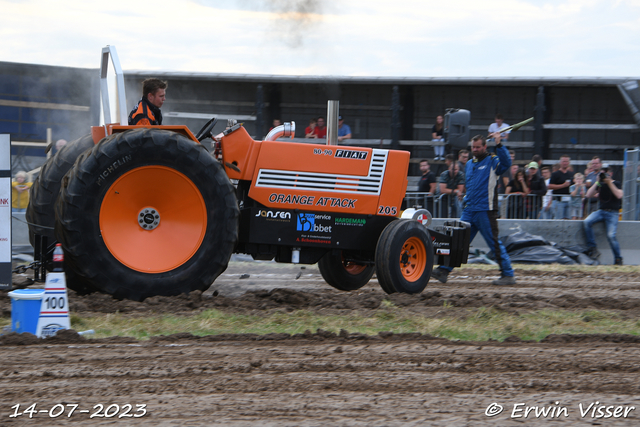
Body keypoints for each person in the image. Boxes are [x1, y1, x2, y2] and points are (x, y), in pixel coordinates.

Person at [431, 134, 515, 286]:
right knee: (457, 241)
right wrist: (467, 201)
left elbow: (507, 163)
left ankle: (508, 274)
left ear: (484, 147)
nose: (475, 150)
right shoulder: (469, 164)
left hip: (485, 210)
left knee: (493, 243)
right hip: (470, 210)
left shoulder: (492, 160)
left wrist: (499, 144)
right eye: (473, 147)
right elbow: (470, 186)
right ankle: (443, 270)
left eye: (478, 147)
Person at [583, 164, 623, 265]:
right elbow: (588, 195)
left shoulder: (616, 183)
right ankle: (592, 247)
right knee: (587, 222)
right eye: (603, 172)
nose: (605, 174)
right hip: (601, 211)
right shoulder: (600, 184)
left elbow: (619, 195)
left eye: (607, 172)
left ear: (611, 173)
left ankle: (618, 258)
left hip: (613, 213)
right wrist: (597, 182)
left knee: (611, 235)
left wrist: (609, 182)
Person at [547, 155, 574, 219]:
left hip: (569, 200)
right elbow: (550, 186)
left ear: (569, 163)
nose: (565, 163)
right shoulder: (555, 174)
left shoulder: (571, 174)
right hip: (558, 201)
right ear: (560, 162)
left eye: (566, 161)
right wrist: (563, 185)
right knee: (558, 219)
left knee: (568, 219)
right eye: (563, 161)